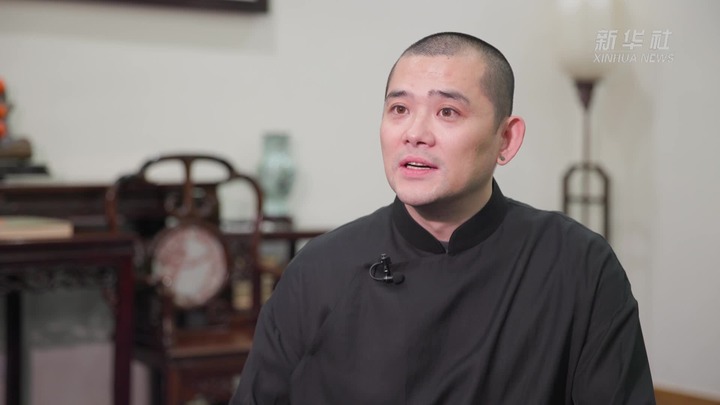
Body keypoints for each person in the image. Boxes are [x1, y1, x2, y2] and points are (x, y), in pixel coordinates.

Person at [230, 32, 655, 404]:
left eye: (447, 112)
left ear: (506, 139)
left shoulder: (578, 264)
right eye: (399, 109)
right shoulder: (319, 269)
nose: (414, 133)